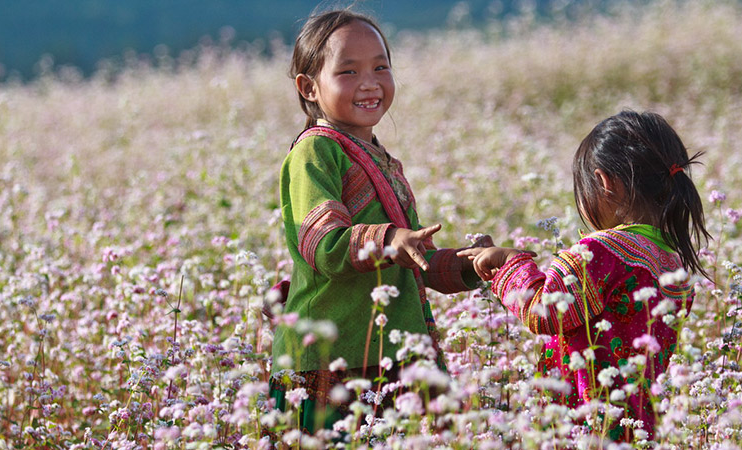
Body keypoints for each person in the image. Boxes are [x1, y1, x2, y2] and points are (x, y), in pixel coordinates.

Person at [271, 8, 480, 433]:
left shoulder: (381, 158)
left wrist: (473, 263)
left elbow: (416, 259)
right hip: (333, 363)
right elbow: (323, 244)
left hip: (392, 358)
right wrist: (389, 240)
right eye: (348, 71)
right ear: (309, 87)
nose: (369, 82)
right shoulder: (315, 152)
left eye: (380, 66)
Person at [458, 110, 711, 442]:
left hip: (584, 425)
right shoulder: (674, 265)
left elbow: (544, 311)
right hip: (639, 429)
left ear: (605, 183)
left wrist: (509, 262)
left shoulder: (600, 252)